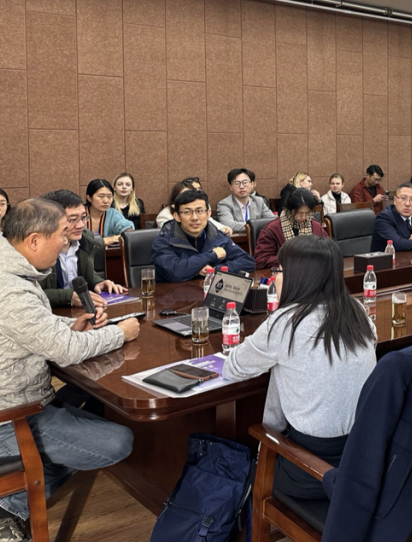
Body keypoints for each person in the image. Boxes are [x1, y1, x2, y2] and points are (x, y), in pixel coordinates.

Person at [0, 198, 140, 542]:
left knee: (95, 401)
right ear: (34, 240)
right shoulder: (5, 286)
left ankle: (0, 509)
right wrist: (120, 333)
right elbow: (65, 352)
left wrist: (68, 326)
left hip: (5, 403)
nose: (66, 243)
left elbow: (32, 325)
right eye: (62, 235)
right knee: (117, 441)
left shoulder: (2, 264)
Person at [223, 236, 376, 499]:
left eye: (279, 271)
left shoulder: (286, 322)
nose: (274, 278)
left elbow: (233, 368)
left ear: (298, 276)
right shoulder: (356, 311)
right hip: (363, 462)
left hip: (311, 472)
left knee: (239, 473)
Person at [39, 189, 127, 308]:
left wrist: (98, 283)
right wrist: (69, 296)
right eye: (72, 220)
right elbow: (33, 293)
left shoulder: (86, 238)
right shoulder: (38, 247)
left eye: (84, 217)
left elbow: (87, 273)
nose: (81, 225)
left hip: (81, 310)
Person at [152, 188, 255, 282]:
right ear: (177, 216)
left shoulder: (218, 236)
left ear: (208, 213)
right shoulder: (163, 241)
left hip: (208, 292)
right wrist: (212, 255)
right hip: (173, 294)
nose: (194, 218)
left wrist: (216, 270)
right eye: (187, 212)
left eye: (199, 211)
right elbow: (176, 272)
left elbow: (248, 262)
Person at [254, 188, 328, 268]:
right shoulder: (272, 229)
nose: (303, 217)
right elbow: (261, 260)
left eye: (307, 213)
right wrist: (292, 258)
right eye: (299, 213)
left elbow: (328, 250)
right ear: (289, 209)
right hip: (285, 272)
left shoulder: (316, 226)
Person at [157, 181, 233, 234]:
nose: (188, 199)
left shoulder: (200, 211)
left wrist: (223, 229)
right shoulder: (164, 216)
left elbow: (210, 222)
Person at [217, 168, 275, 233]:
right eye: (236, 183)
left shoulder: (259, 201)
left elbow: (273, 221)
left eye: (245, 182)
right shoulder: (224, 204)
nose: (241, 186)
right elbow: (229, 225)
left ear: (252, 184)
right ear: (231, 187)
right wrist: (254, 225)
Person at [85, 178, 135, 246]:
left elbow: (128, 229)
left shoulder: (112, 213)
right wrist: (103, 241)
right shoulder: (78, 214)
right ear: (89, 198)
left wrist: (126, 233)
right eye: (101, 196)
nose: (106, 201)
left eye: (109, 196)